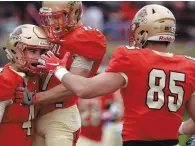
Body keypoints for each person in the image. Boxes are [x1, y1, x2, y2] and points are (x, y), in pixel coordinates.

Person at [35, 4, 195, 146]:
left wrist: (56, 68)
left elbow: (84, 89)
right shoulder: (190, 65)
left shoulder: (131, 58)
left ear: (143, 31)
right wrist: (177, 129)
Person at [14, 1, 106, 146]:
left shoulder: (85, 38)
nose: (51, 21)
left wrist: (35, 98)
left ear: (75, 13)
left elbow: (73, 85)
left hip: (60, 113)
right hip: (35, 114)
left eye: (57, 16)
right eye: (48, 17)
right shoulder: (48, 35)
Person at [0, 24, 50, 146]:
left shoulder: (37, 78)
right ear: (15, 50)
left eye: (42, 52)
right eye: (32, 51)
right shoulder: (0, 79)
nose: (38, 58)